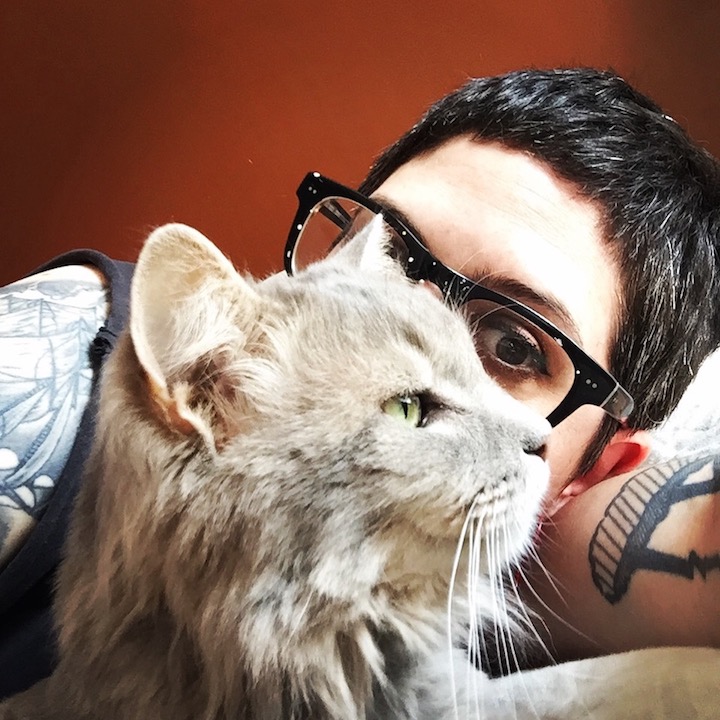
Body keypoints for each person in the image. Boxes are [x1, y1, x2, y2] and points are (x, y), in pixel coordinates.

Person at [1, 67, 719, 698]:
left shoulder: (510, 530)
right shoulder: (57, 372)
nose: (409, 323)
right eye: (394, 254)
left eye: (512, 345)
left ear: (587, 478)